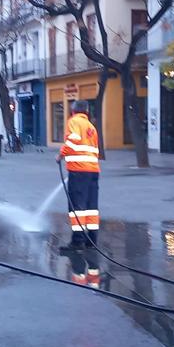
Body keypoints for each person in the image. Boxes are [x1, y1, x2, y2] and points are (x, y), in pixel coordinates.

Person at [57, 100, 100, 250]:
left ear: (73, 111)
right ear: (86, 111)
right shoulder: (91, 127)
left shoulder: (74, 122)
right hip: (93, 171)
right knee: (91, 206)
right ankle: (92, 239)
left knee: (77, 207)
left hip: (79, 171)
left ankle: (77, 242)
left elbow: (73, 141)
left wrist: (60, 155)